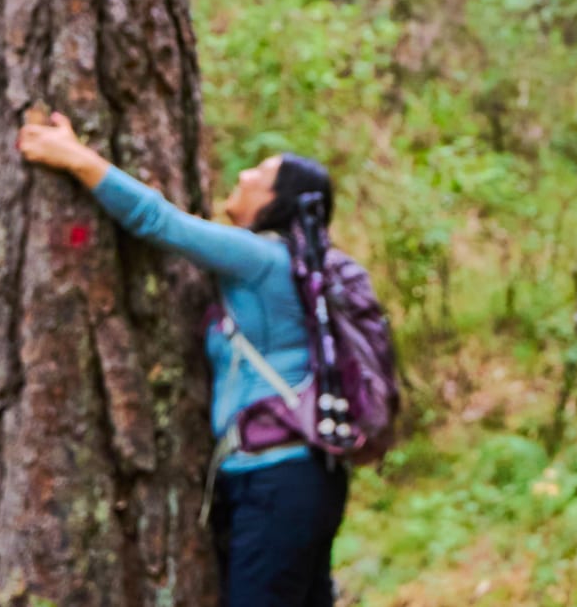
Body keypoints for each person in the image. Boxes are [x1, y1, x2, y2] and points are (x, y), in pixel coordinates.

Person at [18, 113, 346, 607]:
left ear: (276, 201)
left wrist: (77, 158)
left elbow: (159, 221)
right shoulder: (294, 267)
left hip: (276, 483)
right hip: (305, 478)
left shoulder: (260, 259)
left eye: (260, 173)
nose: (243, 176)